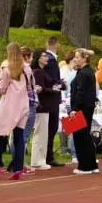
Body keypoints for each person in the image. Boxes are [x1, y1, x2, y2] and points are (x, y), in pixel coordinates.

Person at [0, 44, 34, 180]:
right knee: (19, 137)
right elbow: (30, 87)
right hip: (23, 104)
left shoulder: (6, 68)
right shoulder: (27, 68)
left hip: (9, 105)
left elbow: (2, 88)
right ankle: (18, 169)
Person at [70, 48, 99, 174]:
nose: (75, 59)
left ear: (84, 59)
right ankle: (92, 164)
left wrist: (75, 109)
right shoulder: (88, 71)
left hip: (81, 108)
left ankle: (84, 167)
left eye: (77, 57)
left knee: (80, 137)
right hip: (87, 107)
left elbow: (80, 92)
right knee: (86, 136)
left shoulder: (83, 73)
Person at [31, 50, 58, 169]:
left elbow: (48, 85)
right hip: (41, 106)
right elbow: (41, 89)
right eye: (44, 56)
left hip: (46, 107)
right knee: (40, 133)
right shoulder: (37, 72)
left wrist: (58, 85)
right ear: (38, 58)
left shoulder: (43, 71)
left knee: (43, 134)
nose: (46, 57)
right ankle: (37, 160)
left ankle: (40, 159)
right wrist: (53, 90)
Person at [43, 36, 65, 167]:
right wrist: (61, 84)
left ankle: (47, 155)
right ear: (56, 45)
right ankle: (48, 156)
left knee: (49, 128)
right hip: (51, 99)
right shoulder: (51, 60)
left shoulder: (46, 58)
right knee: (51, 128)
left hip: (48, 98)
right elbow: (52, 80)